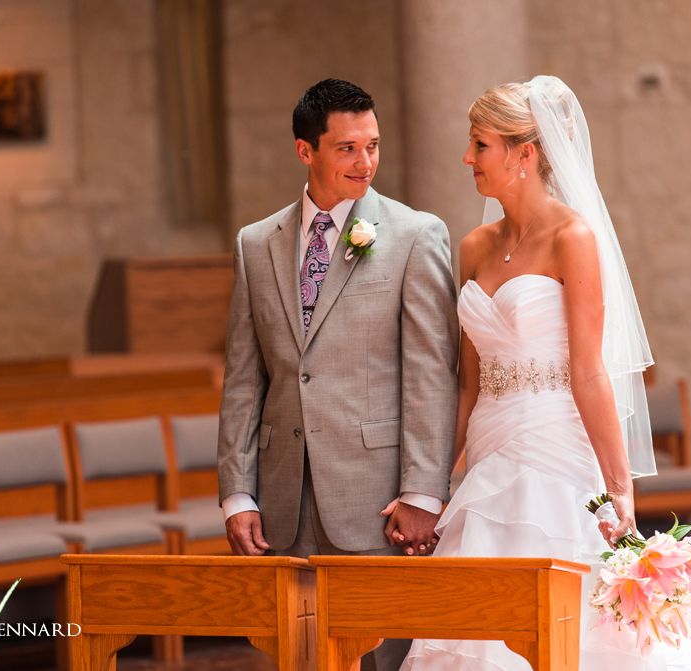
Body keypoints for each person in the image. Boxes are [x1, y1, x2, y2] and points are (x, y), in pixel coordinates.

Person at [397, 76, 691, 670]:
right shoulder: (471, 246)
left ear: (525, 153)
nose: (466, 158)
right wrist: (436, 483)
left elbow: (589, 372)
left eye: (480, 144)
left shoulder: (573, 238)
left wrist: (620, 487)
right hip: (491, 453)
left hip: (556, 449)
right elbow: (467, 383)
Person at [217, 78, 458, 671]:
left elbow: (431, 371)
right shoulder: (255, 243)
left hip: (377, 500)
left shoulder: (413, 236)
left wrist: (423, 491)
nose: (365, 161)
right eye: (348, 147)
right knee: (298, 658)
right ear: (307, 151)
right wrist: (236, 493)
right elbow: (245, 379)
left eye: (373, 145)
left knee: (383, 659)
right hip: (282, 502)